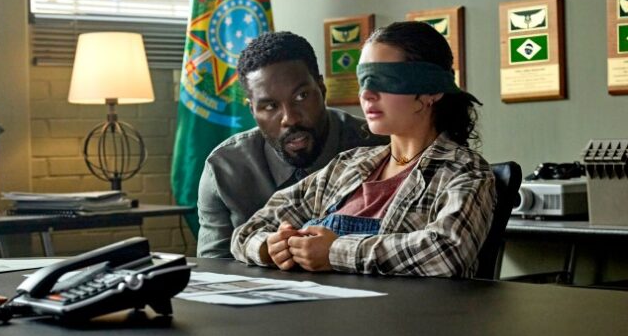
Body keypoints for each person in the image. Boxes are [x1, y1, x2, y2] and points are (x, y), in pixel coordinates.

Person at [231, 21, 496, 277]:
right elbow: (247, 233)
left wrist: (335, 252)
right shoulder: (346, 166)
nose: (367, 94)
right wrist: (268, 247)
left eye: (384, 79)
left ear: (431, 90)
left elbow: (448, 253)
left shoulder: (464, 172)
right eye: (364, 80)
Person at [197, 31, 386, 258]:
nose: (290, 119)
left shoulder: (381, 146)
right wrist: (262, 253)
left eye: (301, 96)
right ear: (252, 110)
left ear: (322, 88)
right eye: (270, 106)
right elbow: (214, 264)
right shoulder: (225, 168)